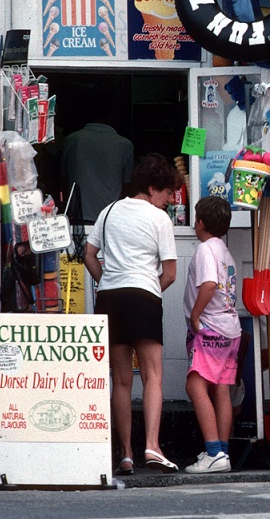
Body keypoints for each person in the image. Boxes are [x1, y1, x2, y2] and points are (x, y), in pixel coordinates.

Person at [82, 153, 184, 475]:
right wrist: (147, 288)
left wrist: (107, 281)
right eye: (167, 193)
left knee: (121, 380)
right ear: (152, 189)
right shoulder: (159, 219)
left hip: (110, 299)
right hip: (143, 297)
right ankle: (152, 446)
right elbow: (170, 274)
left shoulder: (108, 211)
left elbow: (88, 255)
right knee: (153, 376)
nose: (170, 200)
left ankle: (126, 454)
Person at [183, 196, 240, 474]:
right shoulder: (224, 251)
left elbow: (209, 285)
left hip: (211, 329)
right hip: (230, 328)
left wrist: (195, 316)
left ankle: (214, 452)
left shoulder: (205, 249)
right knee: (221, 389)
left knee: (195, 386)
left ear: (201, 223)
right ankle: (223, 452)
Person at [61, 105, 134, 223]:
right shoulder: (125, 145)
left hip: (78, 217)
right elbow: (127, 186)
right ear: (114, 114)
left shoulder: (71, 140)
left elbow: (63, 179)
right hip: (110, 217)